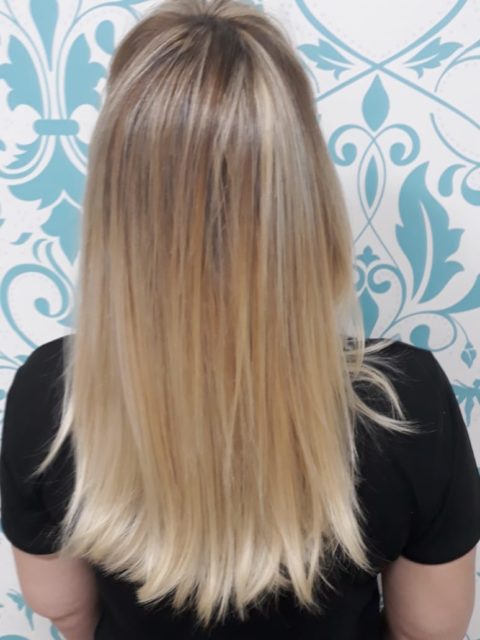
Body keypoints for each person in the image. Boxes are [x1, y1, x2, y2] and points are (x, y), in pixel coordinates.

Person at [1, 0, 480, 638]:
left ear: (117, 199)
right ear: (303, 190)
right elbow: (430, 629)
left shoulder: (51, 395)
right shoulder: (403, 403)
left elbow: (61, 605)